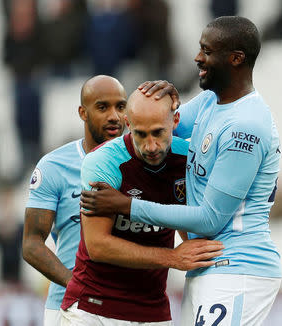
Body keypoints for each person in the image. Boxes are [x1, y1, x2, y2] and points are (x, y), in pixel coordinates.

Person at [81, 16, 282, 325]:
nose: (197, 57)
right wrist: (162, 97)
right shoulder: (210, 102)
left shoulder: (246, 125)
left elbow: (210, 217)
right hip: (208, 264)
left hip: (238, 265)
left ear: (236, 59)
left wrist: (128, 206)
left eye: (207, 51)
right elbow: (157, 125)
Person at [61, 89, 224, 325]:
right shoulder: (103, 162)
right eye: (140, 134)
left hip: (153, 311)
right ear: (128, 124)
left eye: (158, 133)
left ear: (175, 121)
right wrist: (172, 257)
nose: (151, 146)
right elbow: (97, 245)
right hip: (93, 307)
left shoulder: (188, 158)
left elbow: (190, 225)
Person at [22, 75, 128, 326]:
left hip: (130, 306)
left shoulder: (143, 163)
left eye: (120, 107)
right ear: (83, 112)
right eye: (103, 107)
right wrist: (77, 284)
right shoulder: (54, 166)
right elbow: (31, 243)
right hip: (70, 306)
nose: (114, 116)